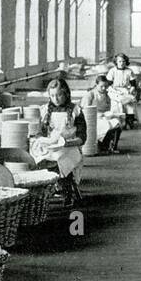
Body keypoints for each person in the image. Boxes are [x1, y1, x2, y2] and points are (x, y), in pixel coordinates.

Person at [32, 77, 87, 205]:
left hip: (70, 146)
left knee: (60, 159)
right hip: (51, 145)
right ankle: (48, 189)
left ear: (66, 94)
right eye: (52, 95)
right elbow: (40, 132)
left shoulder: (75, 110)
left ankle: (66, 190)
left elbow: (82, 138)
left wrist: (67, 143)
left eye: (59, 95)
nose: (55, 99)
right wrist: (40, 139)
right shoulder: (45, 110)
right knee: (37, 157)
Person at [84, 75, 125, 154]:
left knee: (117, 123)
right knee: (105, 125)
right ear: (96, 85)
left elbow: (107, 108)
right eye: (101, 86)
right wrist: (98, 114)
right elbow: (86, 109)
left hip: (103, 115)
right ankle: (103, 146)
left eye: (105, 86)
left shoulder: (106, 95)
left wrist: (108, 115)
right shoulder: (91, 94)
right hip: (93, 117)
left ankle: (113, 146)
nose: (103, 88)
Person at [106, 53, 140, 129]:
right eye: (120, 61)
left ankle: (130, 121)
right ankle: (118, 123)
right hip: (114, 90)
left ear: (126, 62)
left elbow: (133, 83)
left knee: (129, 105)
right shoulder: (112, 71)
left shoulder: (129, 71)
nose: (122, 63)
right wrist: (113, 90)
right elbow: (108, 84)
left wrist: (131, 89)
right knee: (117, 105)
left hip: (126, 90)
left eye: (123, 61)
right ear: (116, 62)